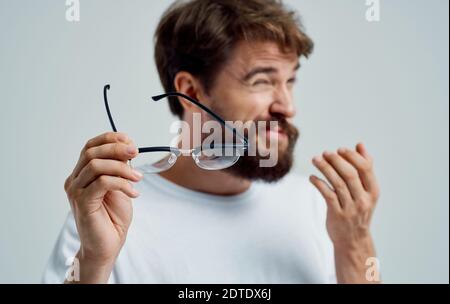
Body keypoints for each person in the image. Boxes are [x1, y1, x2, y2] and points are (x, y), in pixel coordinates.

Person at [43, 0, 381, 284]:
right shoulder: (108, 211)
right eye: (263, 81)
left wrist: (355, 245)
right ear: (190, 91)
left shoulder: (319, 209)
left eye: (289, 82)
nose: (287, 106)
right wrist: (93, 262)